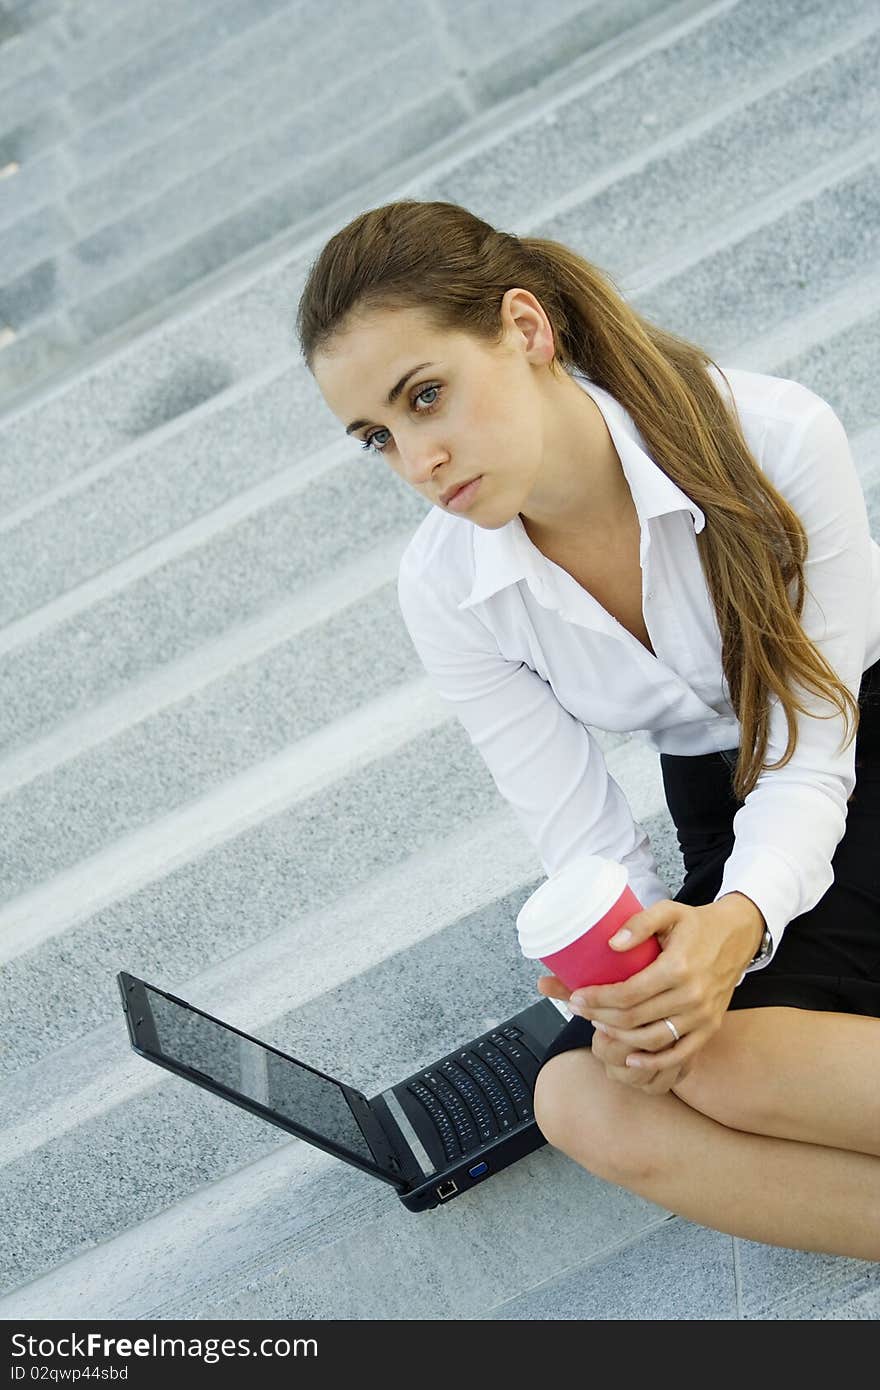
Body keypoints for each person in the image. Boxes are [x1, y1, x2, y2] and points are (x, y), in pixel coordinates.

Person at [296, 197, 880, 1262]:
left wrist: (736, 926)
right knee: (585, 1096)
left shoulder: (773, 436)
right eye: (379, 436)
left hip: (851, 743)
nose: (417, 458)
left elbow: (813, 747)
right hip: (721, 793)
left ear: (524, 329)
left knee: (713, 1061)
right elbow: (584, 843)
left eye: (426, 397)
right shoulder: (447, 586)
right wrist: (625, 969)